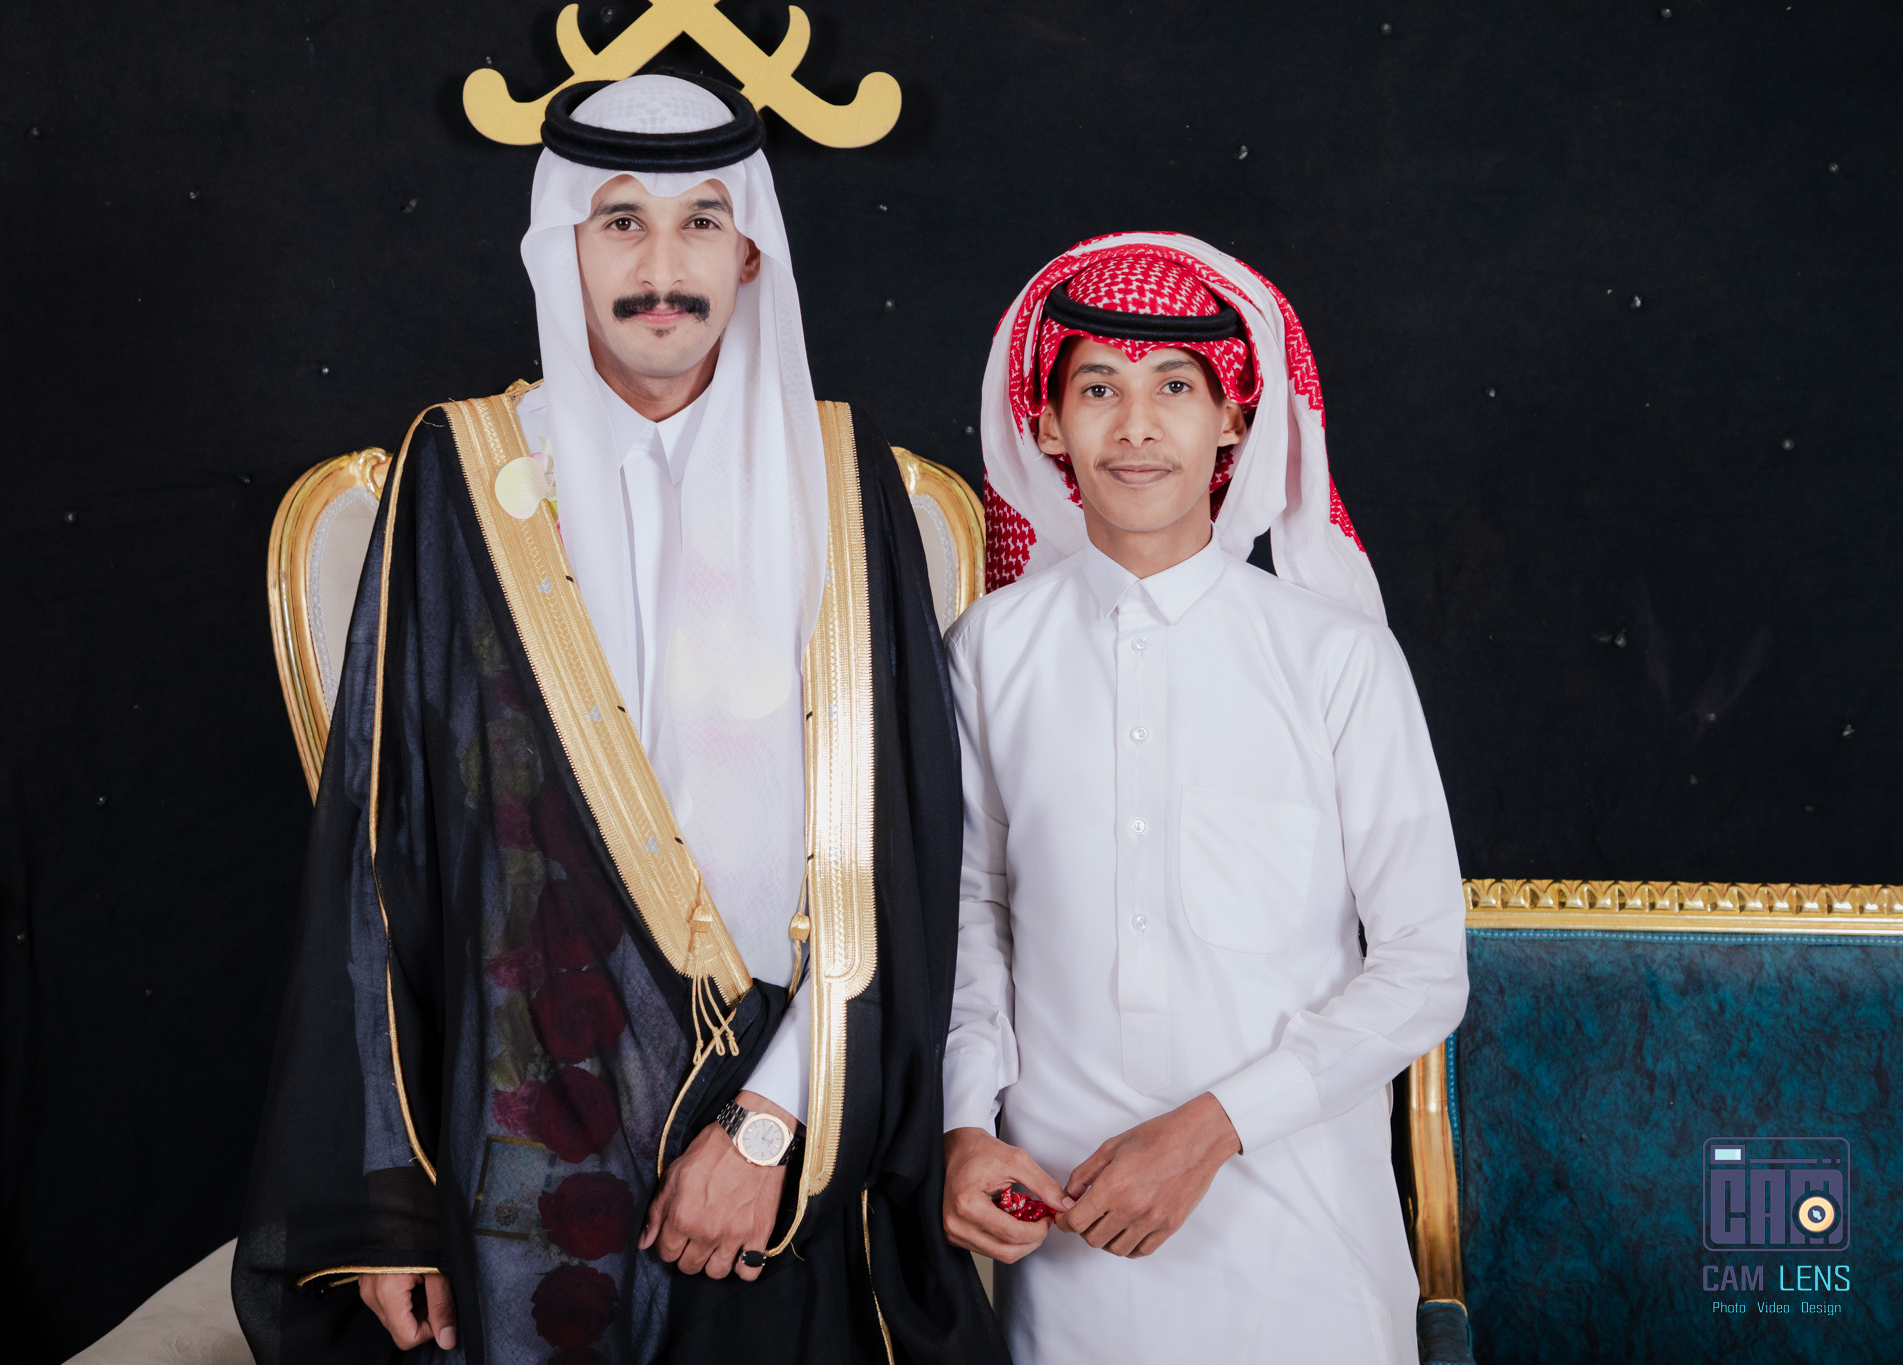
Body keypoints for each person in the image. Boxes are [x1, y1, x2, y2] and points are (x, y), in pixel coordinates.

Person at [233, 73, 1002, 1365]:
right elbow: (382, 858)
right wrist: (392, 1203)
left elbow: (897, 852)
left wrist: (769, 1125)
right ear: (564, 246)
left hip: (789, 1133)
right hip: (520, 1141)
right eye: (622, 222)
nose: (662, 267)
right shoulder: (461, 472)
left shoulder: (841, 478)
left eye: (701, 221)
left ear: (749, 250)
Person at [938, 234, 1469, 1364]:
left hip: (1301, 1233)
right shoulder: (988, 650)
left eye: (1174, 388)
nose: (1136, 426)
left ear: (1233, 418)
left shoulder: (1335, 657)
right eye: (1098, 389)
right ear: (1046, 425)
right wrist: (962, 1126)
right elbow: (972, 921)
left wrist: (1212, 1131)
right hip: (1065, 1238)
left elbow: (1425, 967)